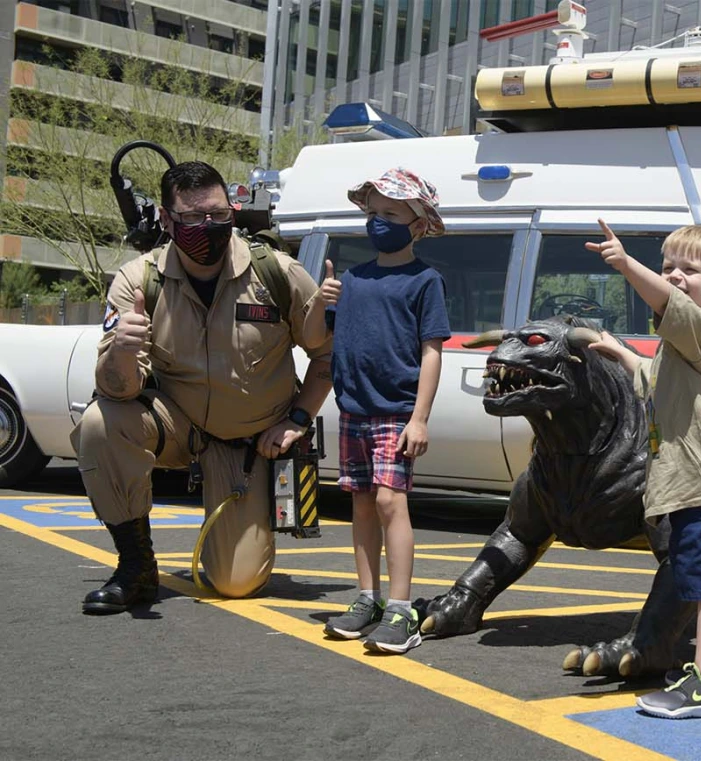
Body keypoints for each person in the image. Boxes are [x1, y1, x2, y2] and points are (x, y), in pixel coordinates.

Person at [74, 160, 334, 613]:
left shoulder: (278, 273)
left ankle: (232, 527)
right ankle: (135, 566)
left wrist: (298, 418)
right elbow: (117, 390)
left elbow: (327, 356)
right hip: (178, 425)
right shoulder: (138, 280)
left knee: (235, 584)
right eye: (193, 218)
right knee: (102, 421)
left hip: (252, 443)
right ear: (168, 219)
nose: (208, 227)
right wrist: (122, 348)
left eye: (217, 214)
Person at [588, 222, 701, 719]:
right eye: (668, 267)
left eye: (690, 269)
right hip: (693, 487)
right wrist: (622, 353)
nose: (675, 276)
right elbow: (653, 384)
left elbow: (667, 303)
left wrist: (624, 263)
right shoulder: (677, 346)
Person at [306, 167, 450, 654]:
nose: (378, 222)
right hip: (354, 410)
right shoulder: (351, 280)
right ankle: (366, 598)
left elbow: (432, 350)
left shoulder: (424, 280)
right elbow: (318, 337)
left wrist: (420, 416)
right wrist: (319, 300)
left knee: (391, 502)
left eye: (391, 213)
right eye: (373, 213)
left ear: (417, 223)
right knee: (362, 505)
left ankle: (401, 608)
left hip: (395, 410)